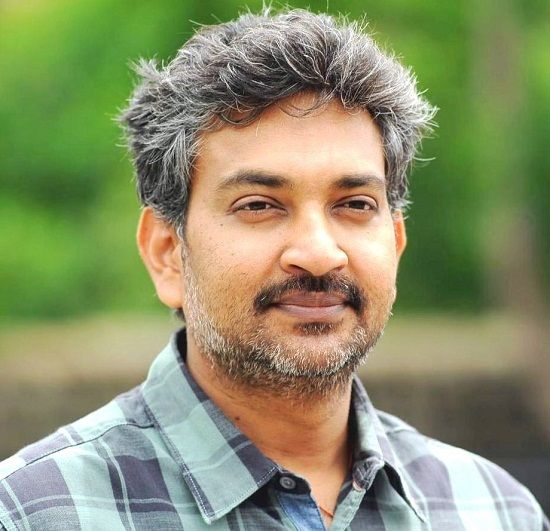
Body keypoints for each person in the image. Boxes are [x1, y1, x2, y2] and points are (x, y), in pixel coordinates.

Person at [0, 8, 547, 531]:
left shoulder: (494, 510)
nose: (319, 253)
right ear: (167, 252)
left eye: (355, 204)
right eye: (259, 205)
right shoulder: (35, 512)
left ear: (396, 243)